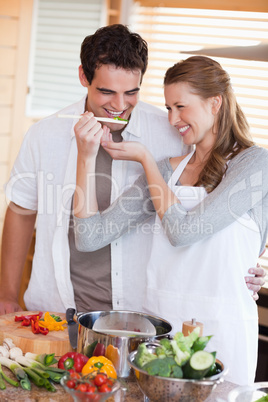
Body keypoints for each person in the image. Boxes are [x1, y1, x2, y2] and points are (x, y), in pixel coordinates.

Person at [0, 25, 264, 315]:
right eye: (106, 91)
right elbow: (22, 211)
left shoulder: (173, 133)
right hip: (56, 307)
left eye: (131, 92)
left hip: (143, 313)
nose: (119, 105)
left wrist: (249, 264)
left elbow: (210, 212)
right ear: (83, 77)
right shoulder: (44, 134)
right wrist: (7, 294)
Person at [73, 56, 268, 385]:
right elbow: (89, 237)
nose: (173, 119)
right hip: (162, 328)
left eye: (181, 107)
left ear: (215, 102)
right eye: (167, 108)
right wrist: (86, 156)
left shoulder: (255, 164)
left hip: (222, 331)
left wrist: (145, 159)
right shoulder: (166, 171)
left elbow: (185, 232)